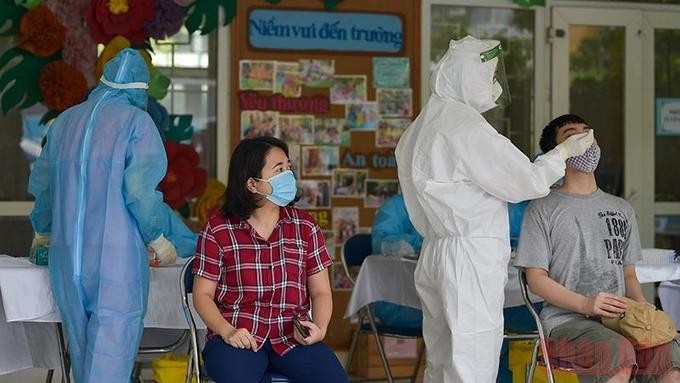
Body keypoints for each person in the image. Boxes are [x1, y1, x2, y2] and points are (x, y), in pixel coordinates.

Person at [395, 35, 594, 383]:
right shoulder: (465, 126)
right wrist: (562, 153)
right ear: (467, 77)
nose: (493, 86)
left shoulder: (421, 127)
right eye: (488, 76)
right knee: (472, 361)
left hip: (437, 251)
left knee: (442, 360)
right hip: (469, 256)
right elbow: (525, 181)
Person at [28, 48, 197, 382]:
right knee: (112, 353)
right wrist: (157, 237)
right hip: (115, 262)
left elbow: (44, 185)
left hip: (66, 259)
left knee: (80, 349)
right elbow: (140, 192)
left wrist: (44, 231)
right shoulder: (136, 122)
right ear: (140, 90)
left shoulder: (65, 122)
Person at [515, 114, 680, 383]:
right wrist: (586, 304)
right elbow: (536, 280)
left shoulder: (621, 209)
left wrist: (642, 308)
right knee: (617, 352)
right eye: (572, 135)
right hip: (565, 325)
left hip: (622, 320)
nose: (585, 140)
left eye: (588, 132)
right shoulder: (542, 209)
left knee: (669, 353)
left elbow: (628, 275)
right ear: (556, 153)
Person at [192, 136, 347, 383]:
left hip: (292, 336)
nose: (288, 175)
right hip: (239, 334)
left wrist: (319, 328)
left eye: (288, 168)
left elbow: (321, 293)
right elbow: (202, 295)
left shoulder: (305, 227)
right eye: (279, 170)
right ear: (252, 184)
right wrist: (227, 331)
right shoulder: (218, 230)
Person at [371, 194, 424, 329]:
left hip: (434, 302)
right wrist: (423, 244)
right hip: (397, 302)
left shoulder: (438, 204)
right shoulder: (397, 206)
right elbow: (382, 242)